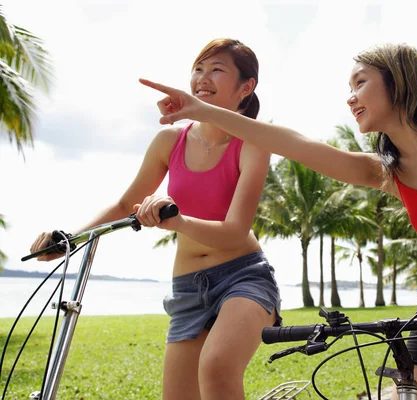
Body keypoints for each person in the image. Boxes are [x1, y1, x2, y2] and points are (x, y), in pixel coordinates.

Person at [140, 42, 417, 400]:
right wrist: (202, 111)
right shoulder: (385, 170)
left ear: (398, 80)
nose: (351, 96)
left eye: (360, 83)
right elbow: (294, 144)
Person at [30, 38, 281, 400]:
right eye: (198, 69)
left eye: (216, 70)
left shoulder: (254, 142)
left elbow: (233, 232)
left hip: (243, 276)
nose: (202, 77)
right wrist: (70, 238)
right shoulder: (169, 141)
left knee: (217, 367)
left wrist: (177, 222)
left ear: (246, 87)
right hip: (188, 286)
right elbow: (124, 204)